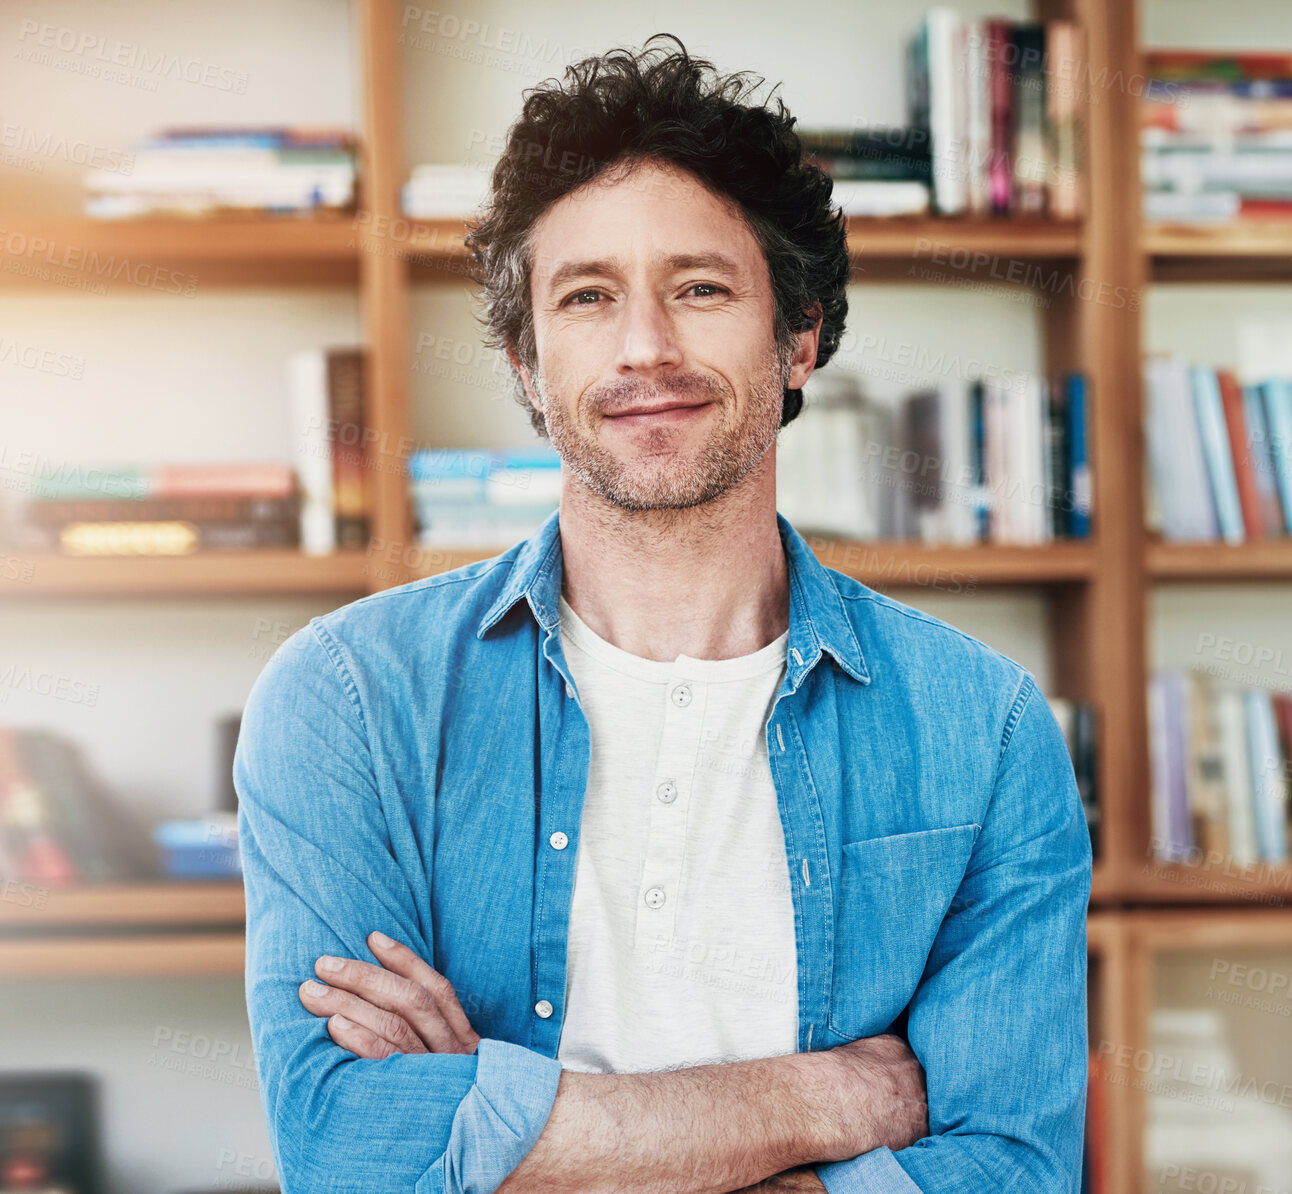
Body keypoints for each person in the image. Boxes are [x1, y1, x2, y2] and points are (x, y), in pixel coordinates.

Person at [236, 36, 1091, 1194]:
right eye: (587, 297)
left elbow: (1008, 1169)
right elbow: (345, 1148)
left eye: (699, 287)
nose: (646, 347)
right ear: (527, 364)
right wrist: (830, 1099)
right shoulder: (347, 698)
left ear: (796, 338)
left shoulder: (980, 729)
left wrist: (497, 1136)